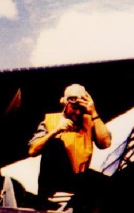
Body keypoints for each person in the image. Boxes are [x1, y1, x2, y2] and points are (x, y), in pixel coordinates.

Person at [28, 83, 112, 212]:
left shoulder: (89, 121)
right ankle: (52, 200)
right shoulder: (50, 120)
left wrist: (94, 112)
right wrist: (55, 131)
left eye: (80, 108)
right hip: (54, 183)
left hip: (79, 179)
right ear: (64, 102)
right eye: (74, 107)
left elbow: (105, 143)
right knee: (55, 144)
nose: (77, 112)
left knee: (104, 183)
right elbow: (32, 150)